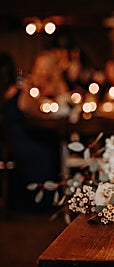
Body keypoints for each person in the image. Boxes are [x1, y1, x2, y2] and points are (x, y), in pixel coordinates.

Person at [0, 52, 60, 210]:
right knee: (48, 149)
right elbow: (40, 113)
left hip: (6, 147)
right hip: (20, 146)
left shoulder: (4, 95)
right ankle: (48, 201)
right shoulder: (18, 94)